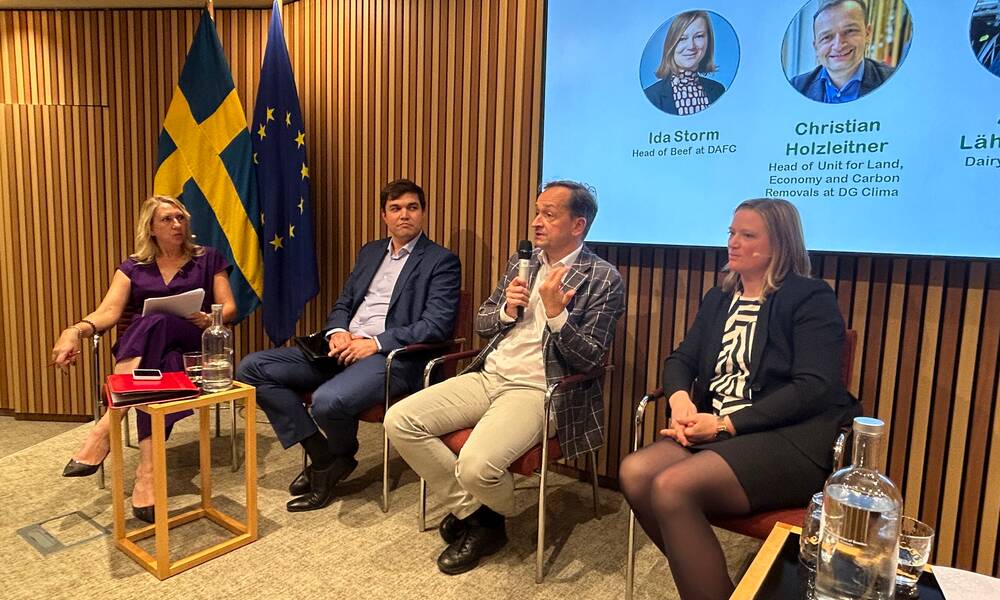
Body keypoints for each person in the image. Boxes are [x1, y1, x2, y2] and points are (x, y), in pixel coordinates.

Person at [618, 198, 860, 600]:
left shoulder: (810, 297)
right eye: (732, 232)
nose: (733, 242)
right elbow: (681, 359)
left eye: (747, 235)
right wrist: (681, 402)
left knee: (672, 487)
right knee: (636, 472)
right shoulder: (720, 297)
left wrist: (725, 424)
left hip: (787, 437)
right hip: (717, 430)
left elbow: (814, 386)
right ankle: (715, 587)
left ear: (780, 244)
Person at [384, 181, 625, 575]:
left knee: (475, 466)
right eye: (537, 212)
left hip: (539, 390)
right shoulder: (522, 262)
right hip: (489, 374)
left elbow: (590, 358)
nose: (536, 222)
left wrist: (557, 315)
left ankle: (478, 513)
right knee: (400, 420)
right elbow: (482, 323)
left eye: (549, 214)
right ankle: (481, 517)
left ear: (578, 224)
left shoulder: (603, 278)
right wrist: (506, 312)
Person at [236, 178, 461, 513]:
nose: (404, 215)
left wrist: (375, 343)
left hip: (391, 356)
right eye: (395, 208)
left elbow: (436, 325)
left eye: (412, 207)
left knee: (327, 401)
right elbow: (344, 302)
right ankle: (326, 458)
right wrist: (338, 331)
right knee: (251, 369)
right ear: (384, 215)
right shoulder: (370, 252)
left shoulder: (441, 261)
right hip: (342, 347)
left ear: (423, 213)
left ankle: (337, 458)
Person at [51, 195, 237, 523]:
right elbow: (108, 312)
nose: (177, 224)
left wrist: (210, 318)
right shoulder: (133, 267)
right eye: (167, 219)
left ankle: (107, 425)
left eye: (180, 218)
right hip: (153, 355)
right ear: (150, 228)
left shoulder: (208, 258)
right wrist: (74, 331)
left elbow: (230, 307)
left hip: (193, 342)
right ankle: (147, 473)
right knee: (162, 360)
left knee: (156, 321)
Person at [791, 0, 896, 103]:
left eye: (849, 31)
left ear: (867, 34)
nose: (838, 46)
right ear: (816, 47)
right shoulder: (796, 88)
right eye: (826, 37)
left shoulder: (894, 82)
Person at [643, 10, 726, 115]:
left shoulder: (718, 90)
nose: (691, 46)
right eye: (682, 39)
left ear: (708, 41)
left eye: (699, 36)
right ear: (671, 45)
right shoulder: (651, 96)